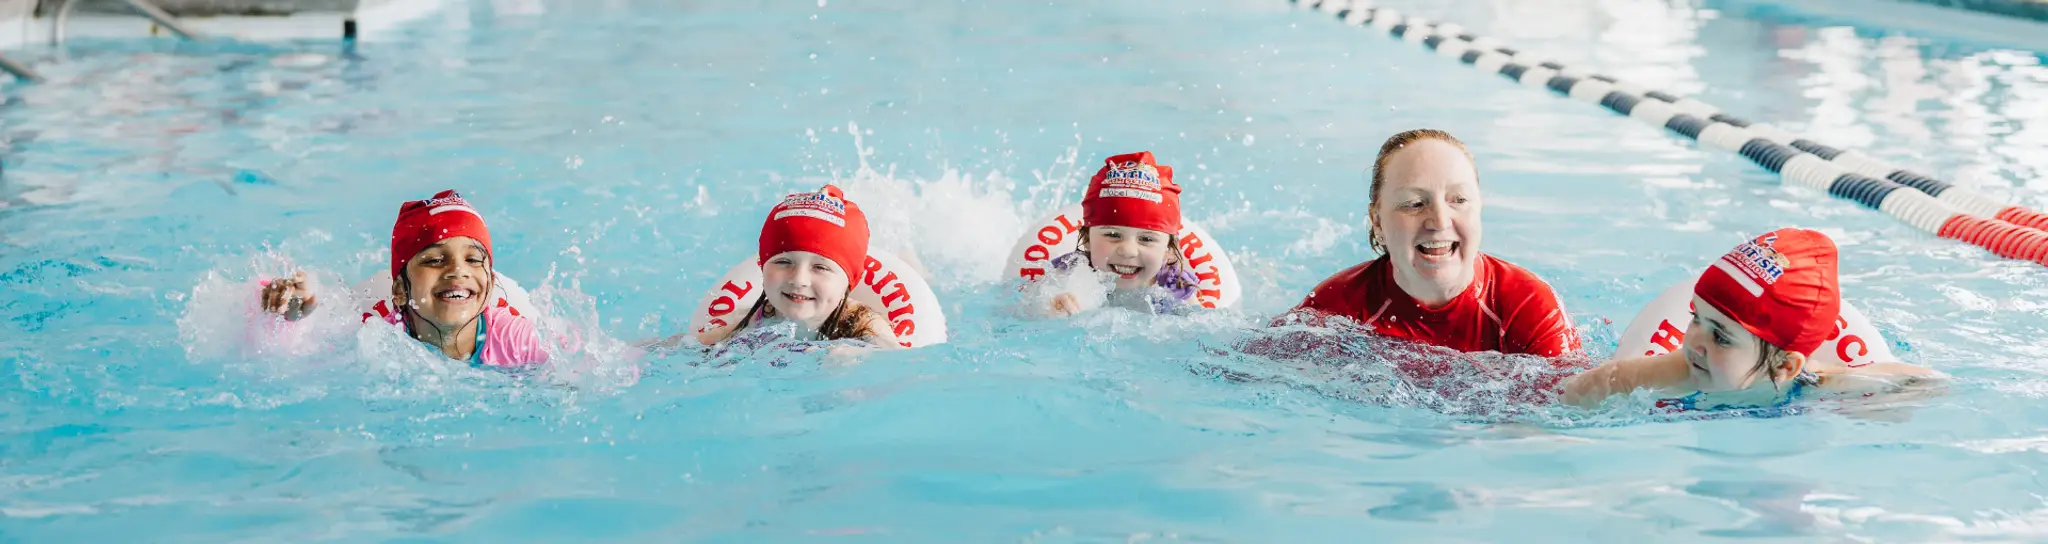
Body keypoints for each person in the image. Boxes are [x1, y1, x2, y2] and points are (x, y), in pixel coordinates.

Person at [1275, 129, 1580, 357]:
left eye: (1458, 200)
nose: (1440, 221)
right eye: (1414, 203)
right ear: (1378, 221)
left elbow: (1569, 405)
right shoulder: (1336, 308)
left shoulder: (1526, 304)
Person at [1560, 228, 1942, 409]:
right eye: (1696, 318)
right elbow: (1590, 388)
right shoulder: (1668, 373)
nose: (1695, 342)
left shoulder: (1817, 384)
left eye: (1721, 337)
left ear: (1787, 366)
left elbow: (1928, 383)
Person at [256, 190, 549, 367]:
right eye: (435, 259)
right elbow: (292, 357)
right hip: (376, 297)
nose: (458, 270)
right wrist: (293, 315)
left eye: (473, 259)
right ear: (399, 290)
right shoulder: (372, 332)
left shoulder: (514, 337)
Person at [693, 185, 899, 347]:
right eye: (783, 261)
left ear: (849, 281)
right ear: (763, 267)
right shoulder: (753, 322)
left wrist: (855, 359)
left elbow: (895, 364)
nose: (799, 279)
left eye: (820, 267)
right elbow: (693, 348)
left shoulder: (863, 323)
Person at [1044, 151, 1201, 316]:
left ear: (1168, 250)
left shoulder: (1175, 288)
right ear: (1087, 238)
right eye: (1113, 235)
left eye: (1146, 239)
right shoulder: (1069, 272)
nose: (1128, 251)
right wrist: (1051, 312)